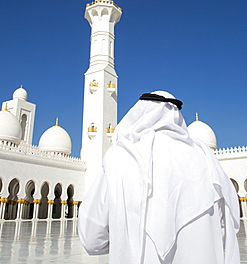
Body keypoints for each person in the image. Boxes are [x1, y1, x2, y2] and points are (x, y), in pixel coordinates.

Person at [78, 91, 240, 264]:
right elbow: (226, 226)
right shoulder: (207, 161)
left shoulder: (120, 159)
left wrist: (126, 235)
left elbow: (91, 238)